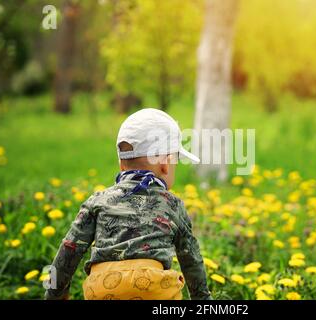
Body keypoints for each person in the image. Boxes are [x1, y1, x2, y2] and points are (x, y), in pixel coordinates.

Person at [44, 108, 212, 300]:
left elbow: (68, 250)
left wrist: (54, 294)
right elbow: (192, 260)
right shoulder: (173, 204)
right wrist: (203, 300)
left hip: (102, 290)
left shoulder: (97, 201)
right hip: (154, 290)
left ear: (122, 165)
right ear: (165, 163)